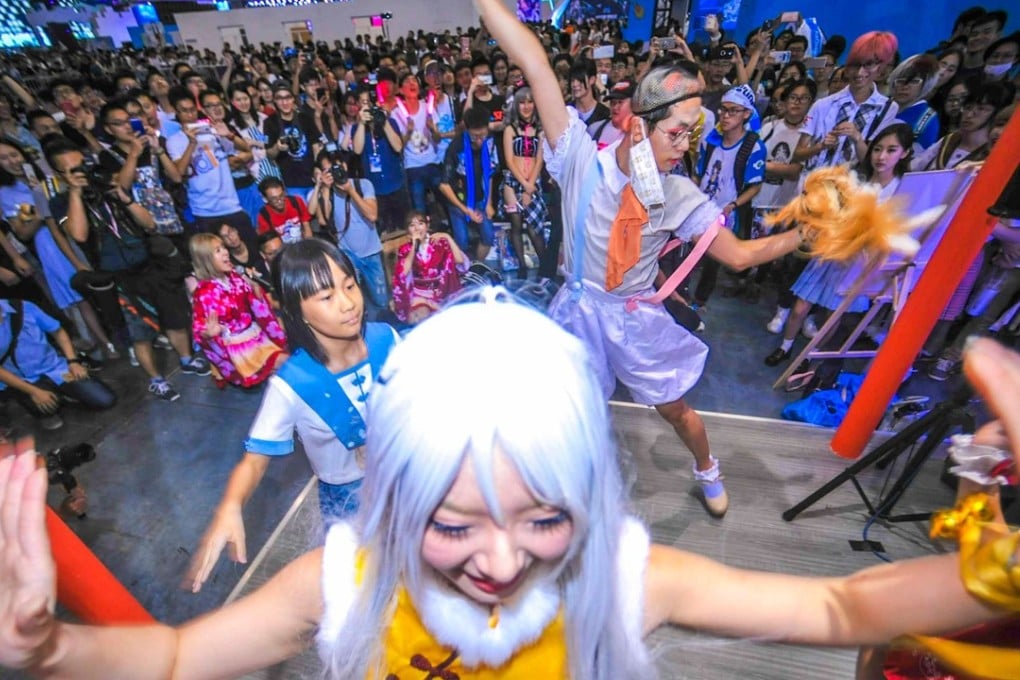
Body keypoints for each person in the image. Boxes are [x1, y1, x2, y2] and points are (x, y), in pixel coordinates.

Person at [0, 296, 1014, 679]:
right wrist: (49, 651)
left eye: (544, 517)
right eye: (451, 524)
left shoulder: (619, 581)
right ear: (397, 502)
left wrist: (1000, 566)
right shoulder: (346, 580)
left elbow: (842, 607)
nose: (499, 562)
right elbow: (180, 654)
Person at [477, 0, 812, 518]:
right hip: (579, 310)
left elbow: (740, 256)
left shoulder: (677, 193)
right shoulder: (578, 155)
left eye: (692, 133)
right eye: (676, 132)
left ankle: (707, 468)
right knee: (569, 407)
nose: (684, 146)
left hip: (632, 318)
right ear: (638, 127)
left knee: (675, 409)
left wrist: (804, 235)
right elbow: (536, 63)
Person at [187, 239, 398, 592]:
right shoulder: (292, 384)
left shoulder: (387, 340)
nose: (348, 303)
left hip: (400, 476)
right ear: (297, 310)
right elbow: (254, 461)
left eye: (349, 286)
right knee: (368, 583)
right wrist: (230, 505)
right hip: (349, 503)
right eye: (326, 296)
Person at [764, 124, 914, 370]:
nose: (882, 156)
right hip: (830, 252)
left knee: (832, 318)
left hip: (858, 264)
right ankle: (785, 347)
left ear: (905, 153)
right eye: (878, 149)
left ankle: (808, 360)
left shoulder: (901, 190)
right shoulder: (857, 177)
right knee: (800, 308)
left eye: (891, 150)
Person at [0, 298, 116, 431]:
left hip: (55, 368)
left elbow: (58, 331)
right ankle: (46, 399)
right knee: (48, 412)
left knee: (104, 400)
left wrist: (73, 362)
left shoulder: (23, 307)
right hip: (25, 380)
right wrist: (34, 392)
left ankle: (63, 394)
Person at [189, 233, 287, 388]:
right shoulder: (204, 293)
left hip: (255, 335)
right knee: (285, 364)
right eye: (218, 250)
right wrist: (209, 334)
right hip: (239, 348)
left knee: (280, 371)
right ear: (205, 260)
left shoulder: (234, 277)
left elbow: (254, 301)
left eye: (223, 247)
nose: (225, 252)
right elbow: (200, 329)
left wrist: (256, 292)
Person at [795, 32, 900, 171]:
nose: (860, 72)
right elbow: (797, 155)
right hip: (814, 180)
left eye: (868, 65)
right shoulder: (823, 104)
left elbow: (874, 164)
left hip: (851, 182)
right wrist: (820, 146)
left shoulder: (887, 108)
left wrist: (857, 138)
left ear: (879, 68)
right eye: (855, 65)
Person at [306, 151, 388, 316]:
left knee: (381, 299)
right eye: (328, 170)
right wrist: (326, 190)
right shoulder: (328, 192)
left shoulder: (363, 185)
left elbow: (372, 215)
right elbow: (323, 221)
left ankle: (384, 321)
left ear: (344, 166)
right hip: (347, 254)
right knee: (353, 300)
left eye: (336, 168)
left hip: (371, 252)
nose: (334, 173)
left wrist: (350, 190)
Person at [439, 106, 499, 262]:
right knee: (462, 242)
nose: (479, 140)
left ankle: (476, 267)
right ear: (467, 130)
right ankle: (463, 270)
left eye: (482, 135)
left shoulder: (490, 141)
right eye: (475, 136)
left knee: (488, 236)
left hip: (481, 198)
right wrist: (466, 210)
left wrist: (488, 203)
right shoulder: (456, 147)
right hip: (458, 200)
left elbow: (490, 173)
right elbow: (444, 186)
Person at [501, 85, 547, 271]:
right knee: (516, 224)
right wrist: (523, 184)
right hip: (512, 182)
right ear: (516, 105)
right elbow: (509, 160)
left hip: (533, 182)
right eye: (522, 102)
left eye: (530, 102)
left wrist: (529, 187)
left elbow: (539, 160)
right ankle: (521, 265)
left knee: (534, 227)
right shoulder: (510, 129)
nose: (526, 106)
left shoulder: (540, 130)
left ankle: (546, 266)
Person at [391, 210, 465, 324]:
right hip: (419, 294)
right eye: (412, 225)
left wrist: (447, 237)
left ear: (427, 225)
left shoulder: (440, 243)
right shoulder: (405, 249)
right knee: (419, 316)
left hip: (442, 290)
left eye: (420, 223)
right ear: (408, 230)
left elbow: (459, 260)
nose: (417, 228)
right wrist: (414, 247)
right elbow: (403, 272)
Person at [886, 54, 941, 153]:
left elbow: (922, 157)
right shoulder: (882, 105)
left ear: (925, 84)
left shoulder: (928, 118)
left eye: (914, 81)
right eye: (900, 80)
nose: (905, 86)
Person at [256, 176, 312, 244]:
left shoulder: (296, 201)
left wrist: (308, 244)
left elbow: (306, 225)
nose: (279, 201)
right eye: (274, 199)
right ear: (265, 199)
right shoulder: (264, 216)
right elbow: (270, 242)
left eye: (281, 196)